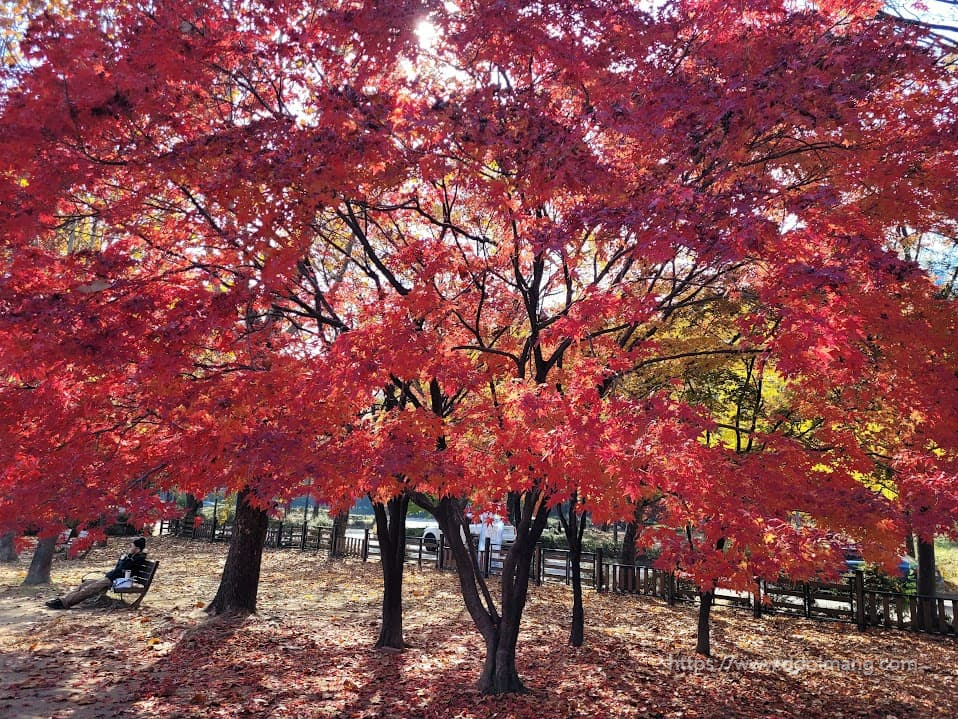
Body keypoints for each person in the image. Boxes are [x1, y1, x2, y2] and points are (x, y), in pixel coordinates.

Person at [45, 537, 148, 609]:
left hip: (117, 581)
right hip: (112, 578)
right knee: (85, 584)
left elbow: (121, 568)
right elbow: (119, 567)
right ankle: (63, 599)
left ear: (137, 549)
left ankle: (65, 603)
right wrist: (127, 557)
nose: (129, 548)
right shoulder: (132, 557)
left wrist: (127, 557)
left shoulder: (137, 558)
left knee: (89, 589)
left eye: (132, 546)